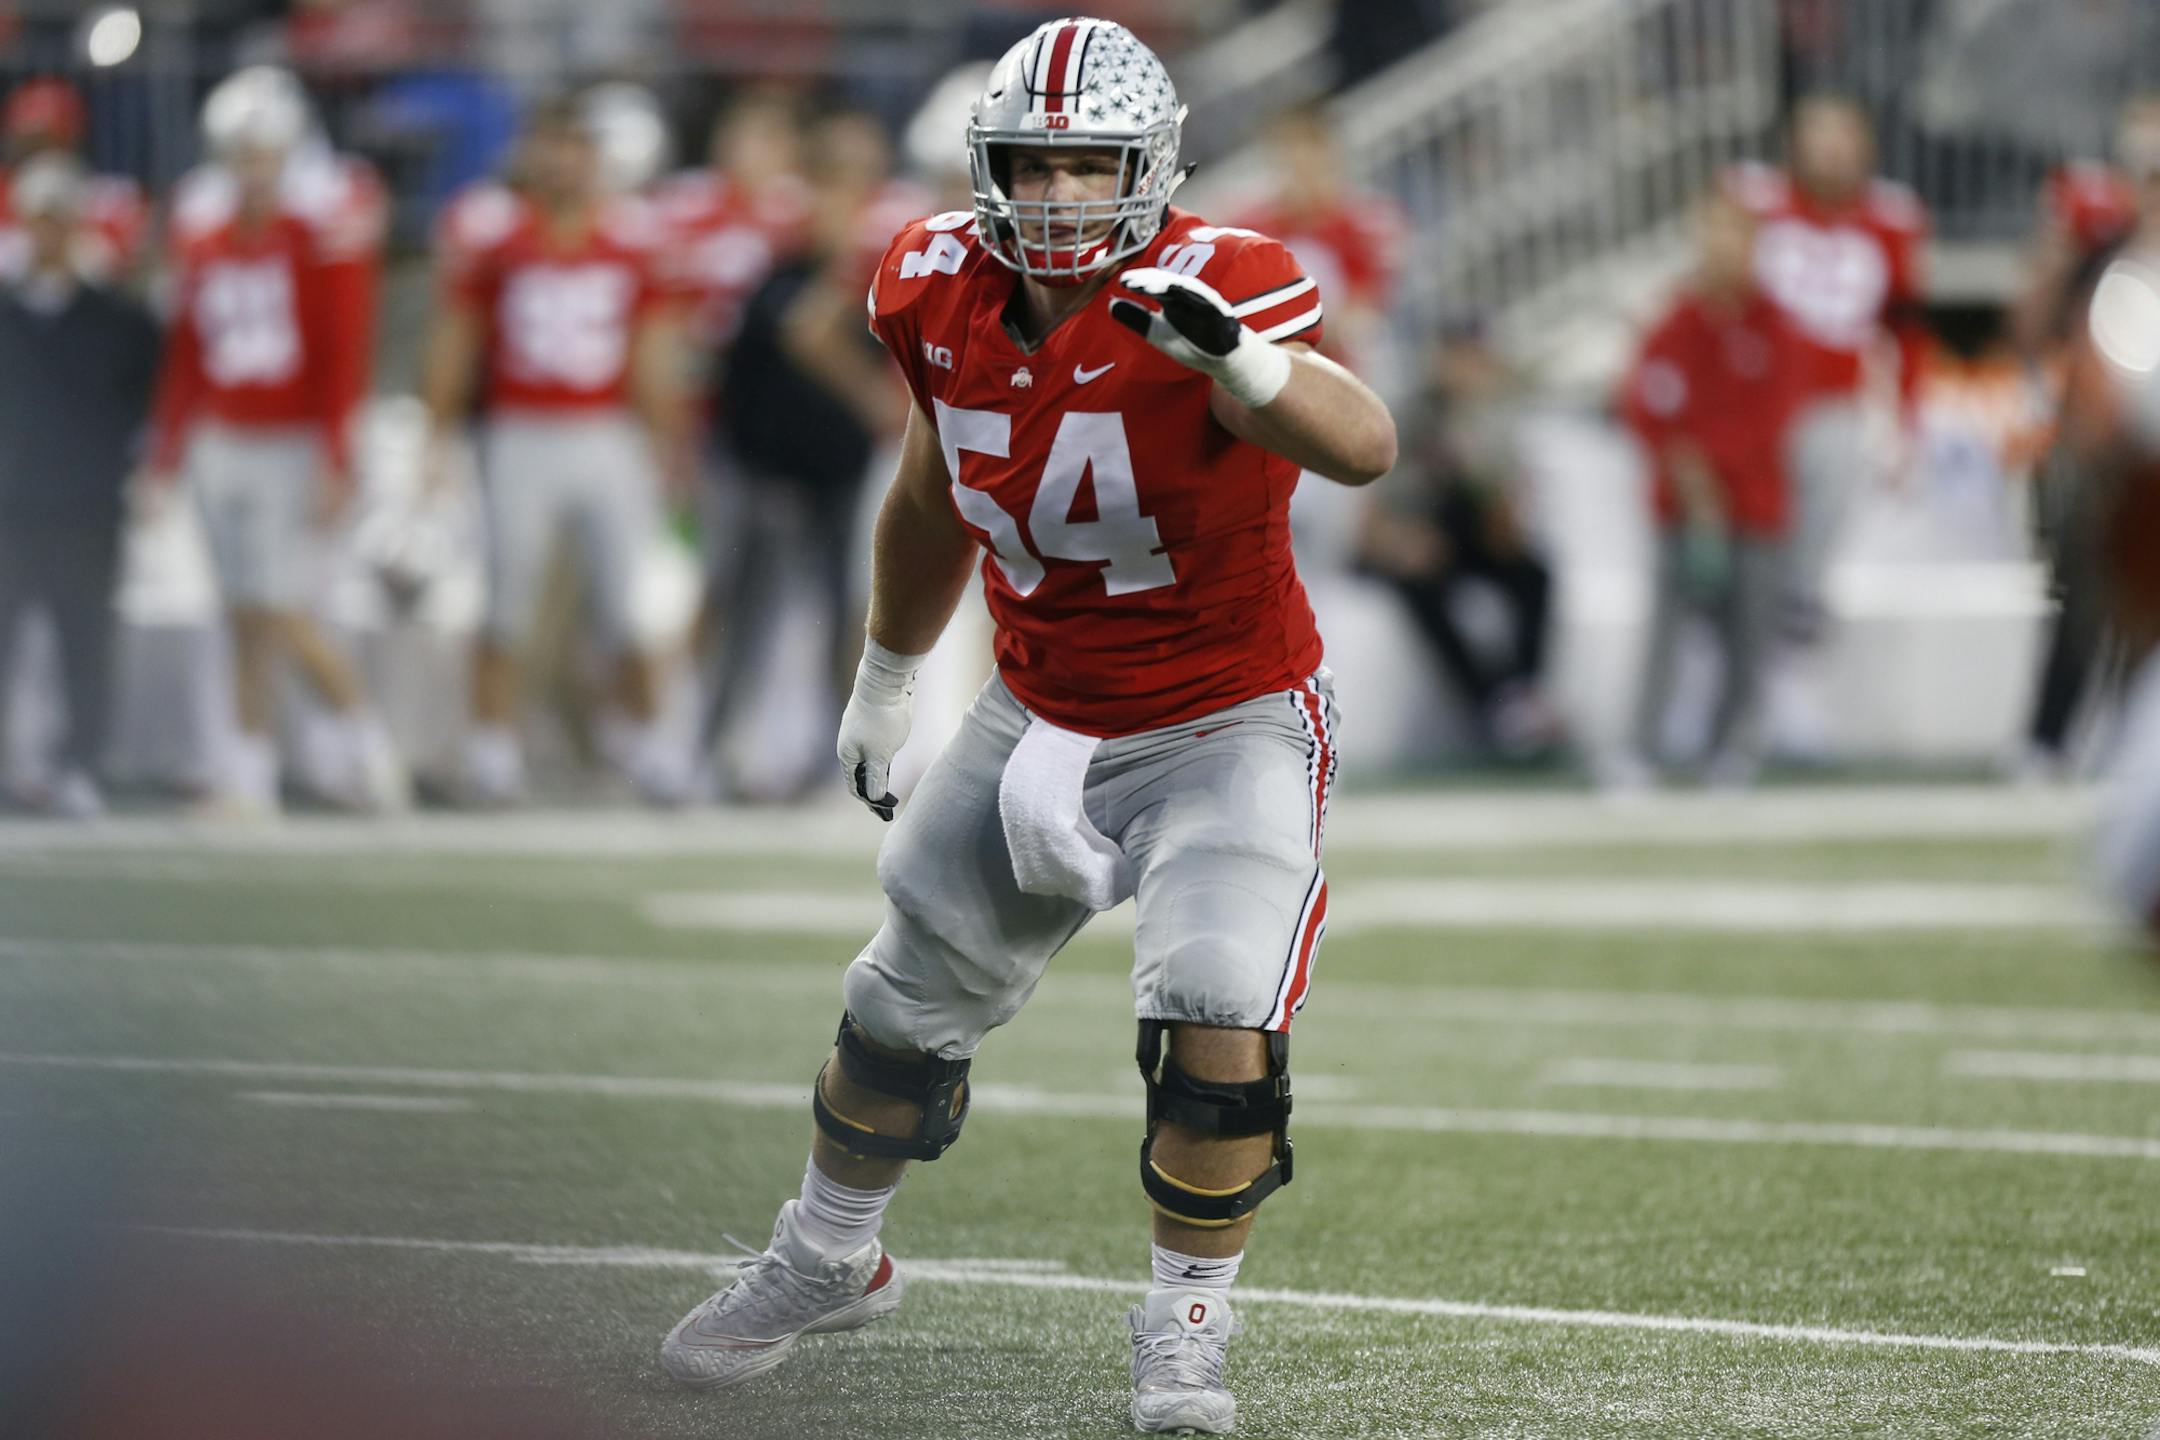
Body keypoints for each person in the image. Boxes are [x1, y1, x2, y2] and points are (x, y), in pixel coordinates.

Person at [655, 18, 1396, 1437]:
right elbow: (936, 491)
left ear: (1151, 164)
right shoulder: (930, 282)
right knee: (891, 1012)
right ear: (986, 167)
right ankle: (824, 1259)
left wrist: (1244, 373)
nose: (1058, 196)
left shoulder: (1224, 283)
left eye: (1089, 165)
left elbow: (1364, 443)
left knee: (1218, 1017)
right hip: (1038, 710)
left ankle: (1188, 1324)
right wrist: (885, 677)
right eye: (1031, 165)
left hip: (1225, 719)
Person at [418, 91, 692, 805]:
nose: (564, 162)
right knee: (505, 596)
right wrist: (436, 434)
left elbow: (653, 348)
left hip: (607, 431)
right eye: (553, 145)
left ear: (596, 158)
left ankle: (653, 746)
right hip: (519, 429)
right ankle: (490, 752)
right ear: (533, 154)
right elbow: (458, 338)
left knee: (629, 602)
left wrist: (667, 439)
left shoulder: (634, 237)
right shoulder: (494, 235)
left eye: (577, 147)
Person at [147, 66, 403, 817]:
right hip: (221, 438)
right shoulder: (201, 223)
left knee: (281, 604)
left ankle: (365, 738)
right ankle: (250, 772)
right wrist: (166, 448)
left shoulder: (323, 222)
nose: (255, 167)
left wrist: (336, 450)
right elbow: (188, 347)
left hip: (291, 441)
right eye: (243, 151)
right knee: (242, 614)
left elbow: (343, 345)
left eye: (268, 151)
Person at [694, 109, 914, 798]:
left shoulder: (883, 264)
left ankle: (838, 760)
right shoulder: (782, 264)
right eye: (834, 183)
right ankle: (710, 749)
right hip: (764, 466)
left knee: (850, 616)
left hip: (844, 471)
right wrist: (880, 405)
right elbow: (800, 335)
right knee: (742, 612)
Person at [1614, 191, 1806, 789]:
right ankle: (1639, 749)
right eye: (1712, 234)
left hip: (1752, 505)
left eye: (1734, 235)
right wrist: (1687, 472)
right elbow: (1646, 404)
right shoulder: (1676, 321)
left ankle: (1732, 747)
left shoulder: (1777, 327)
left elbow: (1773, 418)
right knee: (1665, 628)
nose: (1721, 250)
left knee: (1751, 628)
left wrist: (1712, 472)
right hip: (1683, 504)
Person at [1726, 97, 1930, 638]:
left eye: (1845, 137)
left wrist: (1907, 421)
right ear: (1794, 143)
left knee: (1828, 491)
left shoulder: (1891, 219)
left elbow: (1905, 333)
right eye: (1821, 135)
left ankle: (1797, 603)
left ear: (1867, 147)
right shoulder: (1755, 203)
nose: (1833, 151)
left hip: (1834, 401)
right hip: (1755, 400)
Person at [0, 157, 162, 817]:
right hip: (8, 504)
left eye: (62, 220)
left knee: (84, 642)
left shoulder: (119, 320)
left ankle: (77, 764)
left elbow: (143, 403)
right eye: (40, 219)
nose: (50, 233)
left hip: (86, 506)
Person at [2009, 97, 2160, 781]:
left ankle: (2132, 745)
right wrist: (2055, 244)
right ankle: (2047, 739)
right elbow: (2032, 335)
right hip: (2101, 461)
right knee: (2081, 606)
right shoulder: (2100, 257)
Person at [1354, 323, 1558, 757]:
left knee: (1534, 575)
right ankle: (1490, 703)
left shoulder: (1493, 415)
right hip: (1413, 536)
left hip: (1468, 534)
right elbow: (1372, 515)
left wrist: (1477, 435)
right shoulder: (1408, 416)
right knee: (1425, 591)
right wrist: (1400, 541)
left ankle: (1519, 696)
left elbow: (1505, 513)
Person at [0, 77, 150, 284]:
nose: (41, 153)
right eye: (31, 143)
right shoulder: (3, 193)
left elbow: (125, 277)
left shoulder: (112, 200)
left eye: (52, 140)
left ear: (72, 139)